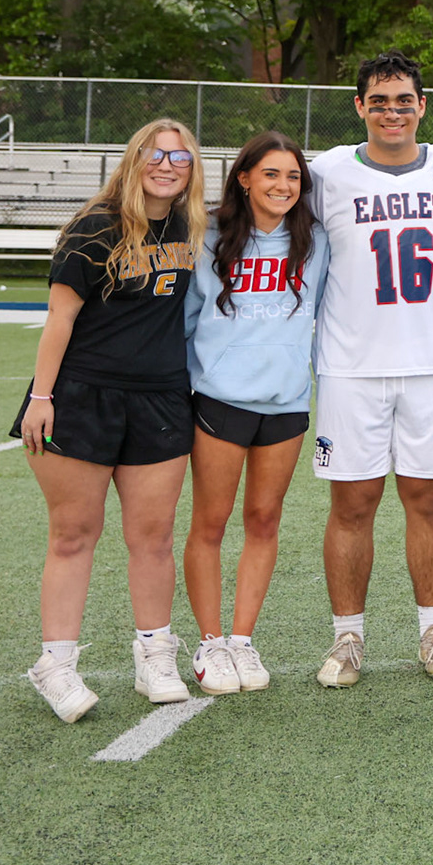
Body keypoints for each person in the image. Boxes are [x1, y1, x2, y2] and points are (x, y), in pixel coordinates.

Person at [310, 51, 433, 687]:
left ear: (422, 105)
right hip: (351, 367)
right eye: (379, 100)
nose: (392, 111)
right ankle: (347, 637)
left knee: (429, 500)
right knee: (352, 503)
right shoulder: (327, 172)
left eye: (403, 99)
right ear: (359, 106)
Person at [17, 118, 205, 722]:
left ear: (192, 168)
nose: (166, 165)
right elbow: (60, 320)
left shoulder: (192, 223)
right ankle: (56, 663)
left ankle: (154, 654)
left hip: (161, 399)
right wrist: (41, 399)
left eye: (179, 157)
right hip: (82, 395)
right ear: (134, 159)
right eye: (155, 153)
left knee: (152, 538)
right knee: (73, 535)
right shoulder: (94, 227)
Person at [183, 131, 329, 695]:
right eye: (271, 174)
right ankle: (211, 642)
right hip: (220, 398)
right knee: (212, 522)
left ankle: (242, 641)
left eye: (293, 176)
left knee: (264, 520)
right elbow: (189, 318)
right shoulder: (210, 235)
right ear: (244, 178)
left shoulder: (314, 240)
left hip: (287, 400)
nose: (283, 186)